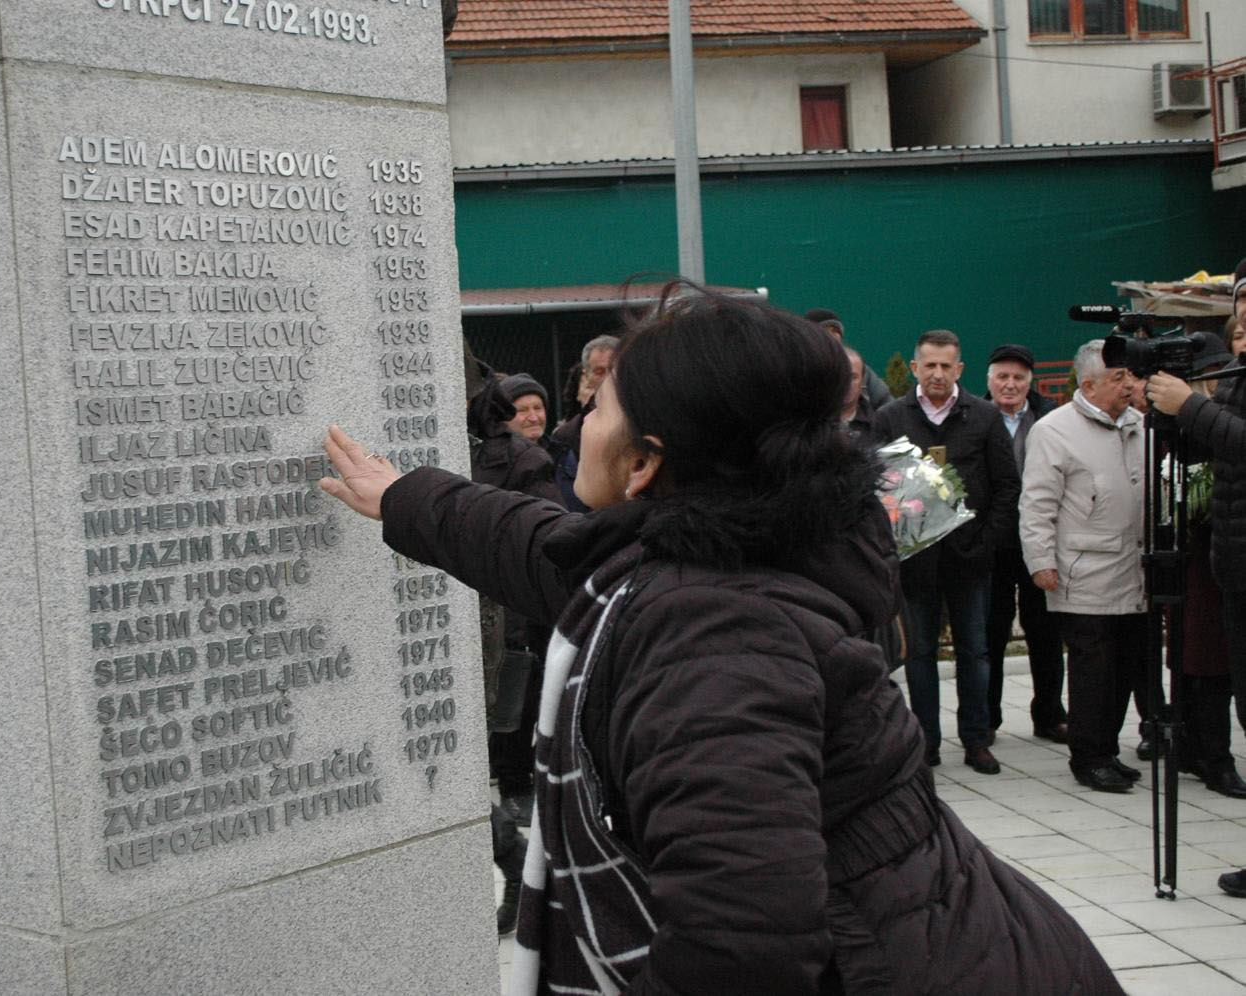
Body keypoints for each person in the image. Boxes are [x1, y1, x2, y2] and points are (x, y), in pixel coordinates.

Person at [321, 286, 1120, 993]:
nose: (581, 422)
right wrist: (407, 498)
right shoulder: (734, 543)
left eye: (600, 409)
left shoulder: (715, 637)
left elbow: (741, 949)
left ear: (645, 463)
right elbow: (550, 551)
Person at [873, 329, 1019, 774]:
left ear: (960, 369)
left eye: (946, 366)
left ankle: (976, 739)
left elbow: (1007, 486)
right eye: (929, 365)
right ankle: (926, 742)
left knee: (974, 651)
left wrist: (985, 541)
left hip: (970, 559)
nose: (937, 373)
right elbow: (876, 487)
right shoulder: (890, 417)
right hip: (916, 563)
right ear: (914, 367)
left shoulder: (984, 416)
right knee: (920, 654)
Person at [1145, 257, 1246, 896]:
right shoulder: (1237, 380)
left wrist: (1192, 406)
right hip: (1234, 567)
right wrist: (1169, 414)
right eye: (1241, 306)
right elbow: (1214, 446)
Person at [1021, 340, 1146, 793]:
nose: (1128, 385)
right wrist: (1040, 561)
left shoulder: (1139, 425)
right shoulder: (1054, 430)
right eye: (1118, 377)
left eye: (1130, 376)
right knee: (1093, 669)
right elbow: (1036, 504)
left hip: (1133, 568)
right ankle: (1088, 757)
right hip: (1083, 569)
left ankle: (1107, 749)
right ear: (1089, 385)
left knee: (1125, 666)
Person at [464, 344, 559, 931]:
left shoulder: (521, 459)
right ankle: (513, 855)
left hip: (497, 626)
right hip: (454, 622)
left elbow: (547, 548)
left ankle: (516, 858)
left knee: (472, 763)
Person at [983, 344, 1067, 742]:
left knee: (1046, 632)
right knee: (991, 632)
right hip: (992, 543)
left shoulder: (1049, 417)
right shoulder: (976, 415)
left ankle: (1049, 715)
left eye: (1018, 378)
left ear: (1030, 382)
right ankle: (987, 717)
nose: (1010, 385)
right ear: (989, 380)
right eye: (1003, 376)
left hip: (1040, 541)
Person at [549, 334, 618, 511]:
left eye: (613, 369)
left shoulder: (648, 420)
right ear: (586, 375)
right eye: (599, 372)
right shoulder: (567, 435)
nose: (608, 378)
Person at [805, 307, 892, 409]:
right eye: (824, 330)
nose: (831, 335)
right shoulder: (800, 369)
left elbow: (886, 404)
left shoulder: (858, 368)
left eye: (834, 330)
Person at [839, 347, 876, 445]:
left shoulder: (878, 426)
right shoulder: (814, 426)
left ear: (862, 381)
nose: (847, 383)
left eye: (853, 377)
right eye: (841, 375)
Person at [500, 372, 549, 444]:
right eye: (522, 410)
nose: (534, 418)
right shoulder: (489, 450)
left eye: (537, 408)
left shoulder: (561, 450)